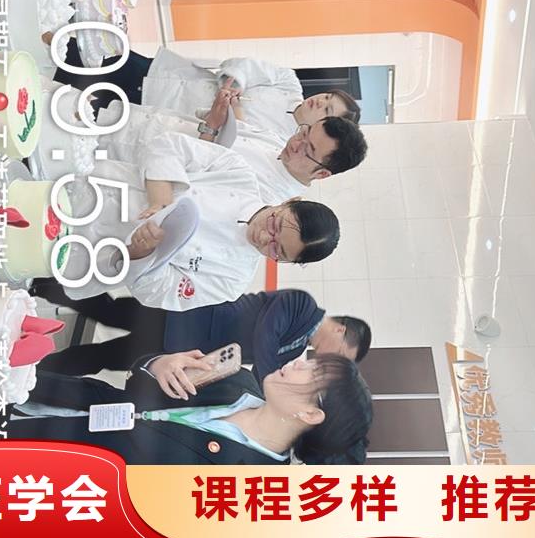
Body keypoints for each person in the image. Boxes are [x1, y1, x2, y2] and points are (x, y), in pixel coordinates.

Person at [60, 131, 340, 310]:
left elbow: (159, 293)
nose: (265, 239)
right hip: (90, 188)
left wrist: (141, 252)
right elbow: (167, 144)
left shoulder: (232, 280)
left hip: (86, 254)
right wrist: (161, 200)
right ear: (289, 202)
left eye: (278, 251)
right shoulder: (237, 173)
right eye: (275, 226)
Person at [0, 354, 373, 465]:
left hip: (40, 459)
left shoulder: (241, 484)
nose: (298, 362)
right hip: (51, 394)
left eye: (312, 373)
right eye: (309, 358)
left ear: (311, 414)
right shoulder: (237, 379)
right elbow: (139, 383)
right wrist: (157, 363)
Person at [31, 286, 372, 379]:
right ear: (341, 330)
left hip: (181, 353)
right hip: (182, 318)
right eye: (341, 353)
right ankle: (43, 284)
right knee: (108, 310)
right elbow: (266, 333)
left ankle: (36, 370)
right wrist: (266, 385)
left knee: (104, 358)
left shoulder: (294, 352)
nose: (331, 358)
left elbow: (239, 359)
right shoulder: (302, 304)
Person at [54, 43, 362, 140]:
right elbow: (246, 66)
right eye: (326, 97)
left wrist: (235, 112)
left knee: (76, 100)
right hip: (165, 76)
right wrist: (235, 83)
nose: (319, 101)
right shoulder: (289, 84)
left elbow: (238, 140)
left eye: (327, 109)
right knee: (88, 56)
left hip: (162, 112)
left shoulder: (282, 140)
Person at [96, 103, 368, 205]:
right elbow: (235, 131)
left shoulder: (268, 199)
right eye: (304, 132)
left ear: (322, 173)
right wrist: (225, 108)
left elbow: (188, 186)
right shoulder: (279, 144)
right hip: (137, 122)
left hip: (123, 159)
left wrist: (211, 128)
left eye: (308, 149)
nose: (296, 142)